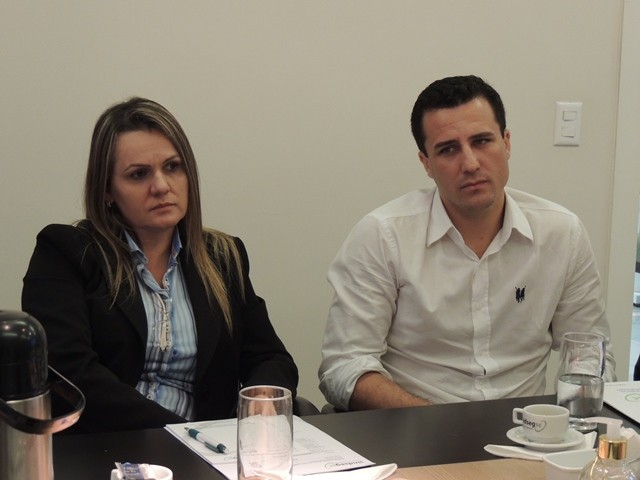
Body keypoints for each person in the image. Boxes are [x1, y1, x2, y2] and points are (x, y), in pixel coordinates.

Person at [318, 75, 616, 412]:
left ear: (506, 143)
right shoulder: (383, 236)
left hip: (527, 430)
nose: (471, 164)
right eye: (448, 149)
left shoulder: (561, 233)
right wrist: (434, 421)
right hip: (414, 425)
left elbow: (590, 351)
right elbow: (344, 366)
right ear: (426, 163)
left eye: (482, 141)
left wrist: (570, 420)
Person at [22, 97, 298, 432]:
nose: (161, 186)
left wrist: (262, 400)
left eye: (172, 167)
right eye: (138, 174)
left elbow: (270, 358)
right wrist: (181, 435)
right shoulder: (67, 252)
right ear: (107, 190)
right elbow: (69, 373)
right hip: (106, 446)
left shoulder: (223, 257)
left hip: (209, 450)